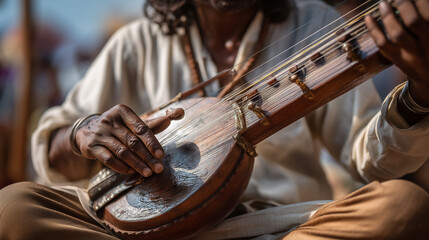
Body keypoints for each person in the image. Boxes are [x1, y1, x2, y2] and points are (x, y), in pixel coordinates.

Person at [1, 0, 428, 239]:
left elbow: (371, 161)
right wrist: (80, 133)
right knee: (14, 208)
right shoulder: (137, 42)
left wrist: (420, 94)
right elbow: (56, 156)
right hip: (142, 234)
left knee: (404, 208)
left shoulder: (315, 22)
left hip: (279, 230)